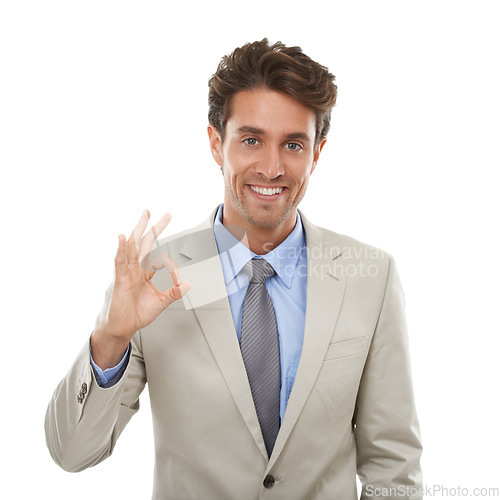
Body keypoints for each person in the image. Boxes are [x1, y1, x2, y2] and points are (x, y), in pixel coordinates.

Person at [45, 39, 423, 499]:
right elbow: (73, 454)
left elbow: (393, 468)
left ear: (317, 153)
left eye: (292, 144)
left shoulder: (372, 277)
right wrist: (110, 340)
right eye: (251, 140)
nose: (271, 167)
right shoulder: (151, 276)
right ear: (215, 142)